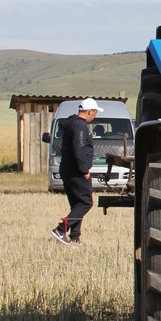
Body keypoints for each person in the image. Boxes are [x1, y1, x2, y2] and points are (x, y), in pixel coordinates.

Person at [51, 98, 99, 245]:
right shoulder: (80, 125)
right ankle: (61, 229)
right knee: (85, 202)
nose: (95, 116)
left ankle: (75, 237)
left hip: (67, 169)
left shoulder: (72, 123)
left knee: (77, 204)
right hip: (76, 171)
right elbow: (78, 149)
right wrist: (84, 170)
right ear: (89, 111)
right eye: (95, 113)